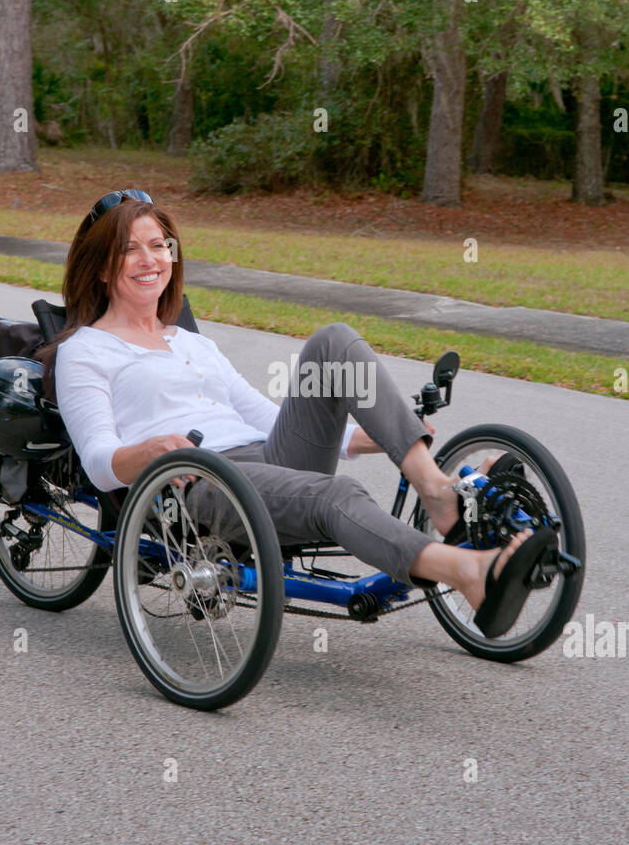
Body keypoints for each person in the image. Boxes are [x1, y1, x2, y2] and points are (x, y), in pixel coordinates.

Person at [43, 189, 555, 638]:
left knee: (333, 341)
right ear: (105, 268)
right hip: (195, 481)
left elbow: (264, 418)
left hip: (263, 457)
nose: (149, 258)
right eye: (130, 249)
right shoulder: (86, 350)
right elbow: (97, 457)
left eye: (158, 245)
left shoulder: (189, 342)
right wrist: (151, 452)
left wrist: (361, 438)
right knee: (334, 496)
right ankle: (466, 571)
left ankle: (439, 492)